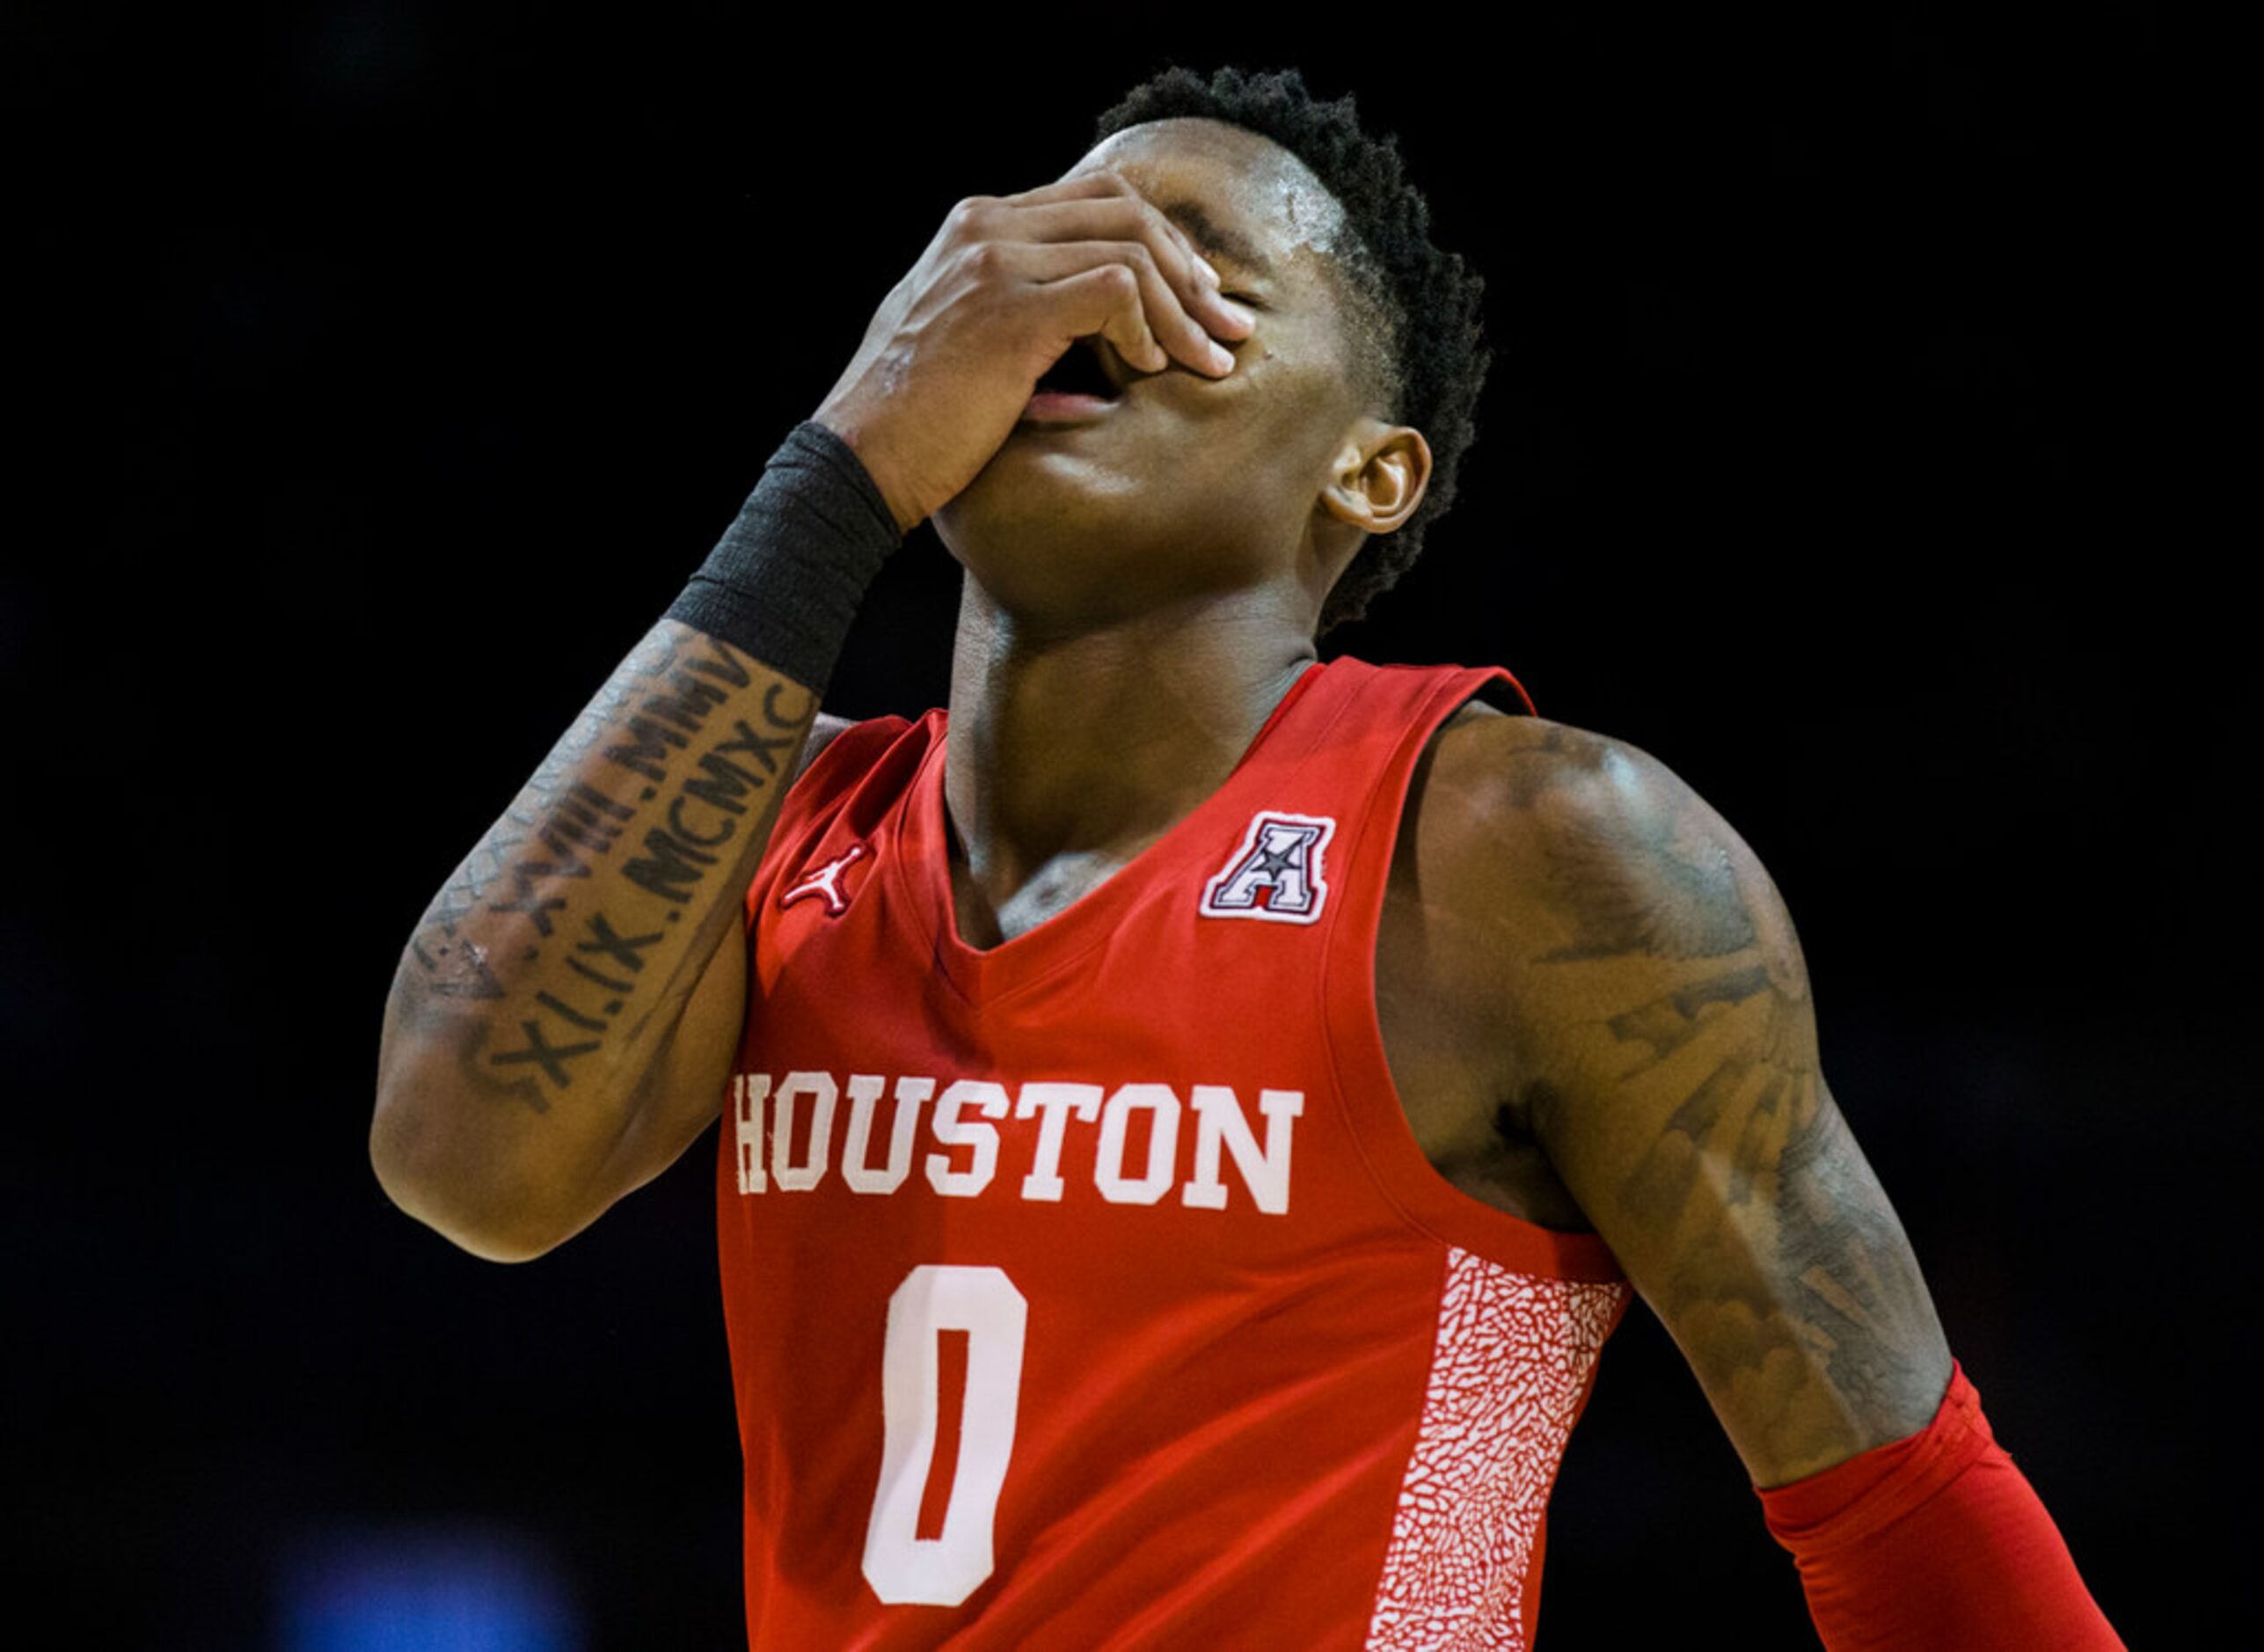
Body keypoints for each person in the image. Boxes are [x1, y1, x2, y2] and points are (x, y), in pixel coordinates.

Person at [371, 64, 2122, 1649]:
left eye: (1195, 264)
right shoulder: (768, 820)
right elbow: (464, 1155)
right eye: (1055, 244)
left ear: (1370, 470)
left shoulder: (1529, 854)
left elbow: (1908, 1524)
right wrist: (843, 467)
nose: (1084, 296)